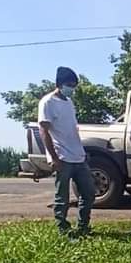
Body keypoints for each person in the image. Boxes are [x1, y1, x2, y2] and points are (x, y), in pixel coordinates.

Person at [38, 66, 95, 236]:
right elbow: (44, 131)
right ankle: (62, 228)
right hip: (62, 157)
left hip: (78, 156)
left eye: (74, 85)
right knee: (62, 197)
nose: (72, 88)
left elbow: (72, 129)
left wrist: (82, 151)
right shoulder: (47, 102)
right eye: (70, 84)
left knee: (89, 193)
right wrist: (54, 157)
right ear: (60, 84)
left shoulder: (69, 102)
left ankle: (83, 226)